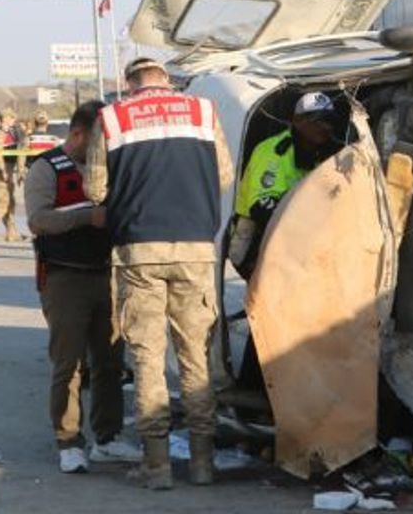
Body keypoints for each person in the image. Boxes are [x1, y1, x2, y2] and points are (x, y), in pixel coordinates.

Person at [87, 57, 233, 490]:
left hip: (139, 250)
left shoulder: (112, 117)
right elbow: (224, 175)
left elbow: (96, 189)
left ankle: (157, 466)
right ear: (166, 81)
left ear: (130, 84)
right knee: (196, 358)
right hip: (195, 248)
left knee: (148, 358)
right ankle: (203, 464)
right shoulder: (203, 111)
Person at [24, 101, 137, 474]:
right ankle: (68, 440)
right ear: (77, 134)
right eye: (98, 141)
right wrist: (88, 217)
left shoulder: (111, 168)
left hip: (107, 274)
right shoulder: (46, 168)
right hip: (64, 278)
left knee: (110, 362)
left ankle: (108, 437)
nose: (104, 149)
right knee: (69, 364)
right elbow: (38, 220)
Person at [226, 92, 342, 399]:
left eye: (329, 121)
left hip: (294, 244)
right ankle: (253, 388)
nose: (326, 128)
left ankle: (280, 387)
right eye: (318, 121)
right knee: (270, 314)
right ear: (297, 122)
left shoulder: (323, 152)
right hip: (258, 241)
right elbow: (262, 206)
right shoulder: (275, 151)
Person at [0, 108, 25, 241]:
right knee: (3, 201)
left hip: (10, 169)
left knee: (11, 201)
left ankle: (11, 232)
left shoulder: (13, 132)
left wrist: (20, 172)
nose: (14, 120)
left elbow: (20, 152)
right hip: (1, 170)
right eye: (11, 117)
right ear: (5, 118)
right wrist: (2, 170)